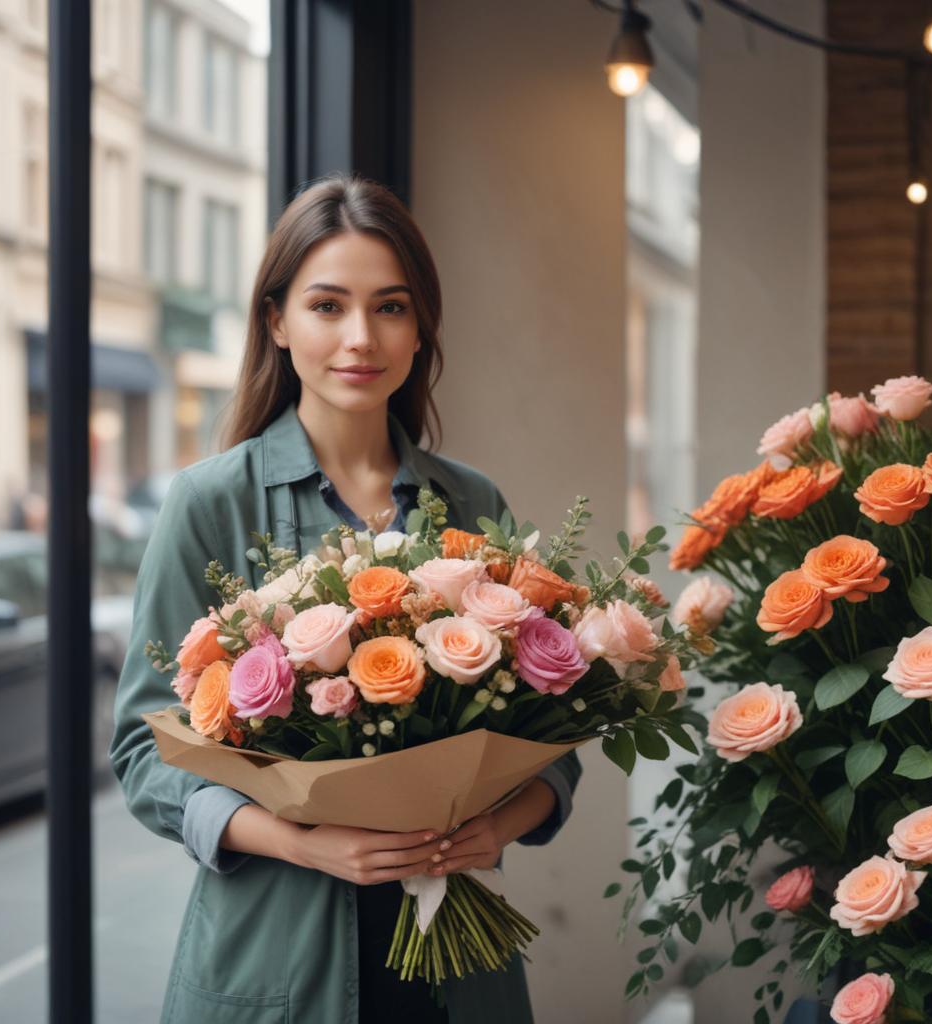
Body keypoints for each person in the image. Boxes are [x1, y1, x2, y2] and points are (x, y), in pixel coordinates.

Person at [109, 173, 582, 1024]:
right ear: (276, 321)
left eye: (390, 307)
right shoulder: (210, 504)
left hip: (456, 961)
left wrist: (500, 826)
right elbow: (146, 752)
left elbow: (557, 730)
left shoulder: (472, 503)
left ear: (419, 327)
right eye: (327, 306)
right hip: (275, 955)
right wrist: (301, 842)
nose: (361, 338)